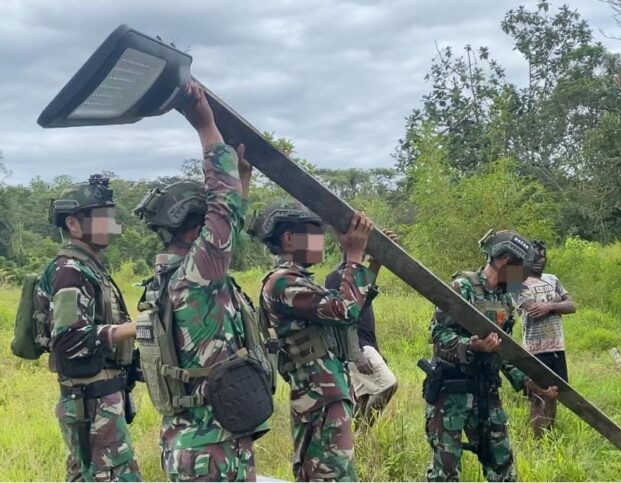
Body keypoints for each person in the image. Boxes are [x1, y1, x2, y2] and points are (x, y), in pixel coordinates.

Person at [134, 81, 265, 481]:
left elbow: (230, 223)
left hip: (193, 441)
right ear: (195, 232)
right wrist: (205, 126)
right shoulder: (194, 278)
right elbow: (224, 209)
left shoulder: (172, 279)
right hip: (212, 450)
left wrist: (243, 182)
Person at [249, 201, 376, 481]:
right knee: (329, 474)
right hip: (319, 395)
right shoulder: (283, 283)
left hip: (326, 391)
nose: (321, 240)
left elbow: (349, 307)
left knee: (332, 472)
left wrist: (370, 261)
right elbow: (345, 309)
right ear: (289, 239)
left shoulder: (300, 281)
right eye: (314, 232)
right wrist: (353, 256)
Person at [422, 229, 558, 482]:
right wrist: (471, 346)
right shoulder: (462, 288)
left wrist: (531, 385)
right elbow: (438, 336)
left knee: (502, 466)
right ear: (506, 261)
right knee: (446, 472)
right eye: (521, 271)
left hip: (486, 393)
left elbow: (505, 352)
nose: (523, 280)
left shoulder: (506, 299)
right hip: (450, 395)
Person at [38, 174, 142, 481]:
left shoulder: (89, 267)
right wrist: (132, 328)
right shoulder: (69, 271)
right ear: (73, 224)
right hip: (90, 403)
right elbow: (68, 339)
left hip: (100, 398)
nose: (108, 224)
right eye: (101, 217)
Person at [324, 230, 400, 429]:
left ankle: (357, 446)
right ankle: (364, 437)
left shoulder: (356, 276)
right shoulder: (336, 277)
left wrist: (378, 260)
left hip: (365, 344)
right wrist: (356, 352)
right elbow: (340, 320)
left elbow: (363, 299)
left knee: (363, 399)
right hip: (357, 346)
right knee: (388, 384)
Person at [516, 240, 575, 438]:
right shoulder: (515, 280)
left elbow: (572, 306)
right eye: (534, 257)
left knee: (555, 393)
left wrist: (549, 306)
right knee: (538, 394)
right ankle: (538, 440)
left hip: (557, 347)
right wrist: (558, 301)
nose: (539, 261)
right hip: (533, 349)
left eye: (542, 257)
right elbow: (534, 312)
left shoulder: (553, 278)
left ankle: (550, 436)